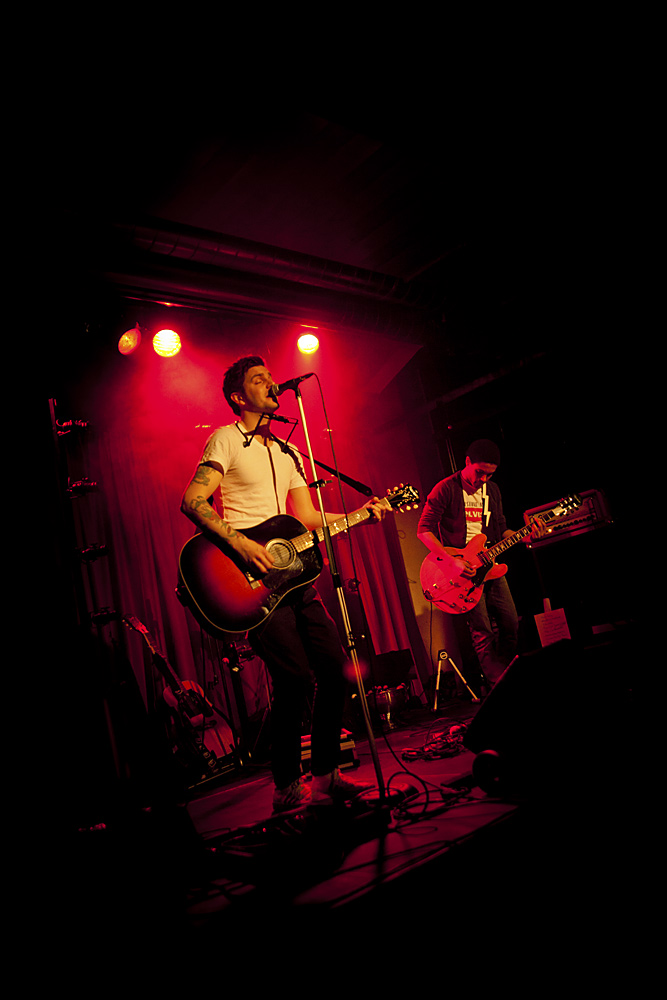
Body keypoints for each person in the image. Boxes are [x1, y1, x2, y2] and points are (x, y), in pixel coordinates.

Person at [181, 356, 387, 812]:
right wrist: (242, 544)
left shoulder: (287, 451)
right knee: (293, 678)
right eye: (260, 380)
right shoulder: (225, 439)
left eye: (272, 378)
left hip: (294, 578)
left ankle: (327, 776)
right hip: (248, 580)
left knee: (334, 669)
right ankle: (286, 785)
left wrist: (359, 514)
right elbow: (193, 500)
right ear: (238, 397)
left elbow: (307, 518)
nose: (273, 384)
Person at [417, 439, 546, 692]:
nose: (483, 479)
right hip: (462, 572)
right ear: (467, 462)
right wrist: (451, 561)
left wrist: (524, 535)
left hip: (490, 566)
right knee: (483, 631)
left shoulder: (492, 491)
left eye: (490, 474)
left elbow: (501, 529)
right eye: (479, 472)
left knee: (511, 624)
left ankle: (505, 676)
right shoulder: (445, 489)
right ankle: (498, 686)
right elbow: (423, 531)